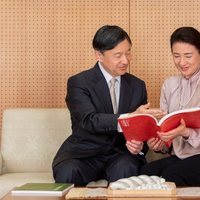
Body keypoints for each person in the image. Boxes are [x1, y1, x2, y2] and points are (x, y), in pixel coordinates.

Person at [52, 25, 164, 186]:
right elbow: (88, 120)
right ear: (99, 55)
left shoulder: (137, 85)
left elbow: (141, 130)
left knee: (127, 170)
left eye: (128, 53)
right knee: (68, 172)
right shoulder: (79, 83)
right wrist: (129, 118)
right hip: (84, 154)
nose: (125, 60)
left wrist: (137, 143)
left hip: (121, 154)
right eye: (118, 55)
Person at [141, 27, 200, 186]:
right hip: (180, 156)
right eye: (176, 56)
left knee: (171, 174)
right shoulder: (169, 85)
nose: (182, 62)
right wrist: (160, 144)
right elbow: (164, 128)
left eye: (188, 56)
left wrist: (187, 132)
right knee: (145, 173)